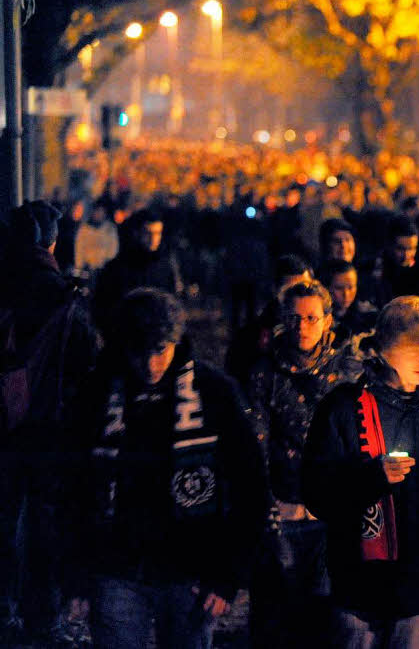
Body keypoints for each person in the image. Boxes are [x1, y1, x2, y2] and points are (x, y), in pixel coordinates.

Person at [63, 289, 266, 649]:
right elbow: (73, 485)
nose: (151, 365)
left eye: (160, 351)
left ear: (175, 342)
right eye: (139, 352)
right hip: (117, 566)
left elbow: (250, 484)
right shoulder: (97, 392)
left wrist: (228, 577)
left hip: (191, 569)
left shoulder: (213, 392)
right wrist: (76, 575)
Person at [303, 296, 419, 649]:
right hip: (360, 585)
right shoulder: (344, 407)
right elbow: (316, 492)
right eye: (413, 349)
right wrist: (371, 478)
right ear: (385, 351)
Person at [0, 201, 97, 644]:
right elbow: (87, 366)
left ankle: (2, 611)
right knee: (44, 524)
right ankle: (43, 618)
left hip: (1, 428)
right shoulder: (64, 296)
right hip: (47, 431)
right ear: (53, 243)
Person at [247, 280, 351, 647]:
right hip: (283, 511)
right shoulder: (265, 372)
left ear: (326, 321)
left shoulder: (346, 372)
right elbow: (256, 438)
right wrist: (267, 505)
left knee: (324, 617)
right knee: (276, 614)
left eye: (311, 317)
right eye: (294, 318)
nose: (302, 326)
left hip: (331, 518)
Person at [92, 208, 184, 337]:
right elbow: (102, 307)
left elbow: (173, 304)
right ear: (137, 233)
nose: (153, 238)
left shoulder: (165, 266)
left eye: (157, 233)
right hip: (125, 336)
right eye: (148, 233)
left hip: (157, 337)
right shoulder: (117, 268)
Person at [225, 254, 313, 385]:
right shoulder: (249, 338)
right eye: (289, 291)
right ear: (275, 290)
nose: (298, 298)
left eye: (304, 289)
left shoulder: (326, 331)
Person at [319, 259, 378, 347]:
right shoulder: (320, 318)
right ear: (327, 288)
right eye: (339, 288)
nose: (346, 294)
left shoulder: (368, 315)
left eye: (350, 287)